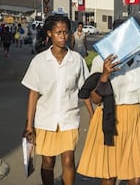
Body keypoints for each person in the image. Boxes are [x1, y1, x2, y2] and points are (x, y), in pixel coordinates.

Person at [77, 26, 140, 184]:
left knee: (136, 173)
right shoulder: (101, 61)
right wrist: (104, 75)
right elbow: (95, 99)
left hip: (135, 120)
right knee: (110, 173)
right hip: (110, 119)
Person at [21, 15, 89, 185]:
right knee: (48, 163)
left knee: (68, 160)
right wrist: (29, 125)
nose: (63, 36)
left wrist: (93, 114)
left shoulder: (77, 60)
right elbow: (33, 94)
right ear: (49, 33)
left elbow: (84, 90)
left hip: (69, 119)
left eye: (66, 32)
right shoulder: (39, 61)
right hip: (45, 120)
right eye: (58, 32)